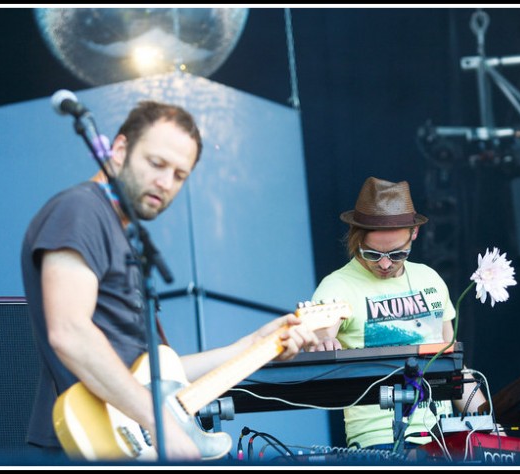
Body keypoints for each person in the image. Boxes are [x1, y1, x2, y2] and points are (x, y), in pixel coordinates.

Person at [20, 100, 319, 462]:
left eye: (180, 175)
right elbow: (69, 333)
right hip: (89, 443)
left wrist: (254, 344)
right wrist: (157, 421)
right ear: (119, 149)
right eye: (156, 164)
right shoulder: (80, 210)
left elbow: (162, 378)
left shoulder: (124, 236)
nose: (165, 182)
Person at [310, 176, 488, 451]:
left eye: (396, 254)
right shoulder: (336, 286)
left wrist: (487, 421)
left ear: (414, 234)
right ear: (357, 236)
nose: (384, 264)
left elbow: (453, 363)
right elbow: (320, 337)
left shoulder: (430, 279)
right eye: (372, 253)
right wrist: (322, 342)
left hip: (441, 435)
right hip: (377, 440)